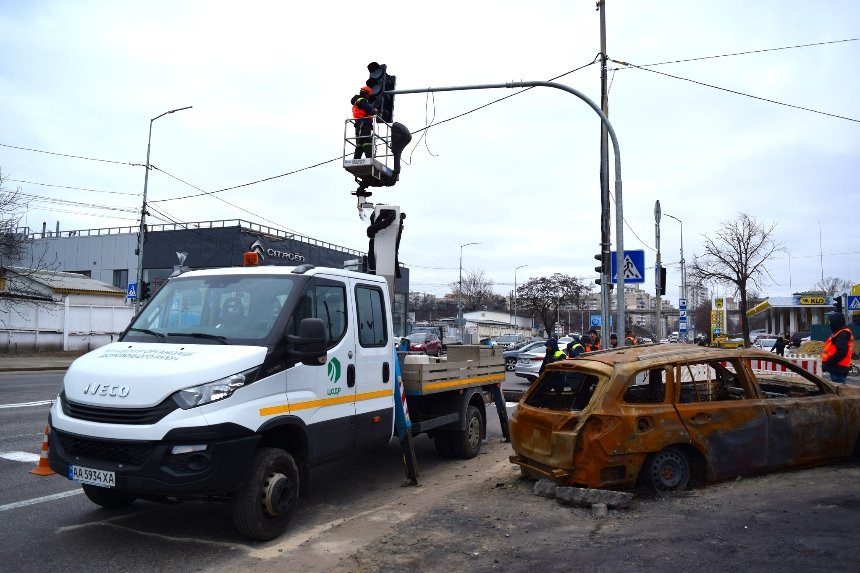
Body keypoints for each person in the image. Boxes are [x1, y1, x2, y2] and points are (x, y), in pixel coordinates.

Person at [821, 305, 854, 384]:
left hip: (838, 369)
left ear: (836, 322)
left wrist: (828, 363)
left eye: (831, 322)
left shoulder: (842, 334)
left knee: (838, 391)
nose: (830, 324)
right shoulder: (839, 333)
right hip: (837, 368)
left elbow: (841, 352)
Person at [351, 85, 376, 159]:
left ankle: (356, 159)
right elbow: (369, 109)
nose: (369, 97)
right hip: (364, 124)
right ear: (367, 94)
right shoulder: (362, 101)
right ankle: (369, 158)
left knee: (360, 143)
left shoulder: (357, 101)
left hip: (359, 124)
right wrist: (374, 111)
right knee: (367, 140)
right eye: (369, 95)